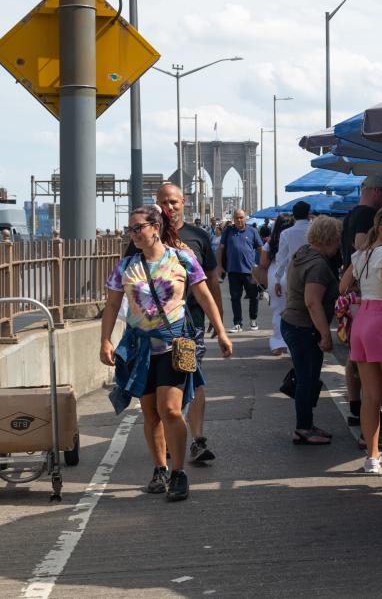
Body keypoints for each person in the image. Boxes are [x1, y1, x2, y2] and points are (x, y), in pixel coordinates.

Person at [101, 205, 233, 501]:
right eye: (129, 229)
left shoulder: (182, 259)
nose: (132, 234)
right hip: (139, 349)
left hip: (173, 346)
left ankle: (178, 472)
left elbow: (203, 294)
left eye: (138, 228)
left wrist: (221, 331)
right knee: (150, 413)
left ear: (155, 227)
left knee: (170, 409)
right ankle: (159, 468)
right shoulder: (126, 266)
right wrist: (105, 341)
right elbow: (111, 306)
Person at [123, 184, 225, 464]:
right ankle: (172, 438)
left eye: (173, 202)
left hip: (189, 327)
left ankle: (197, 439)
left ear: (184, 202)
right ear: (156, 206)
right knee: (163, 402)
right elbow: (128, 282)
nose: (169, 207)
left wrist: (220, 319)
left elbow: (211, 282)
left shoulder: (198, 237)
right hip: (153, 332)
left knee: (193, 377)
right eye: (163, 202)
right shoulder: (139, 240)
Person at [338, 207, 382, 473]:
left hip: (363, 320)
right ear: (381, 229)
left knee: (371, 396)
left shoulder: (361, 255)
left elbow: (343, 286)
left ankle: (372, 457)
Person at [281, 215, 342, 445]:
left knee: (306, 375)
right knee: (307, 378)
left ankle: (306, 423)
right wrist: (325, 334)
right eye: (336, 240)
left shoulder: (304, 253)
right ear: (329, 239)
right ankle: (303, 428)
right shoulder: (317, 265)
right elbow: (312, 302)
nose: (338, 245)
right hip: (304, 327)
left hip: (293, 322)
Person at [341, 175, 382, 425]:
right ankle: (366, 404)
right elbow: (361, 245)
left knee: (356, 354)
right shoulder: (364, 215)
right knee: (370, 360)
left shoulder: (351, 214)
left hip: (357, 290)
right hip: (367, 293)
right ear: (374, 191)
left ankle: (355, 404)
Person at [217, 209, 264, 332]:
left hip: (250, 272)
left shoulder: (253, 231)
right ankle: (237, 323)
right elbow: (221, 249)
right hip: (233, 271)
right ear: (233, 219)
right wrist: (220, 266)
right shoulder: (228, 231)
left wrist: (261, 266)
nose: (239, 220)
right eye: (237, 218)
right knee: (235, 298)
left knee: (253, 297)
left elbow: (260, 249)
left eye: (241, 217)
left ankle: (253, 320)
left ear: (245, 218)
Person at [258, 213, 295, 356]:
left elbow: (263, 263)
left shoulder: (270, 243)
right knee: (293, 311)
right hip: (292, 275)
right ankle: (292, 345)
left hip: (275, 276)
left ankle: (278, 344)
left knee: (278, 310)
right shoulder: (294, 239)